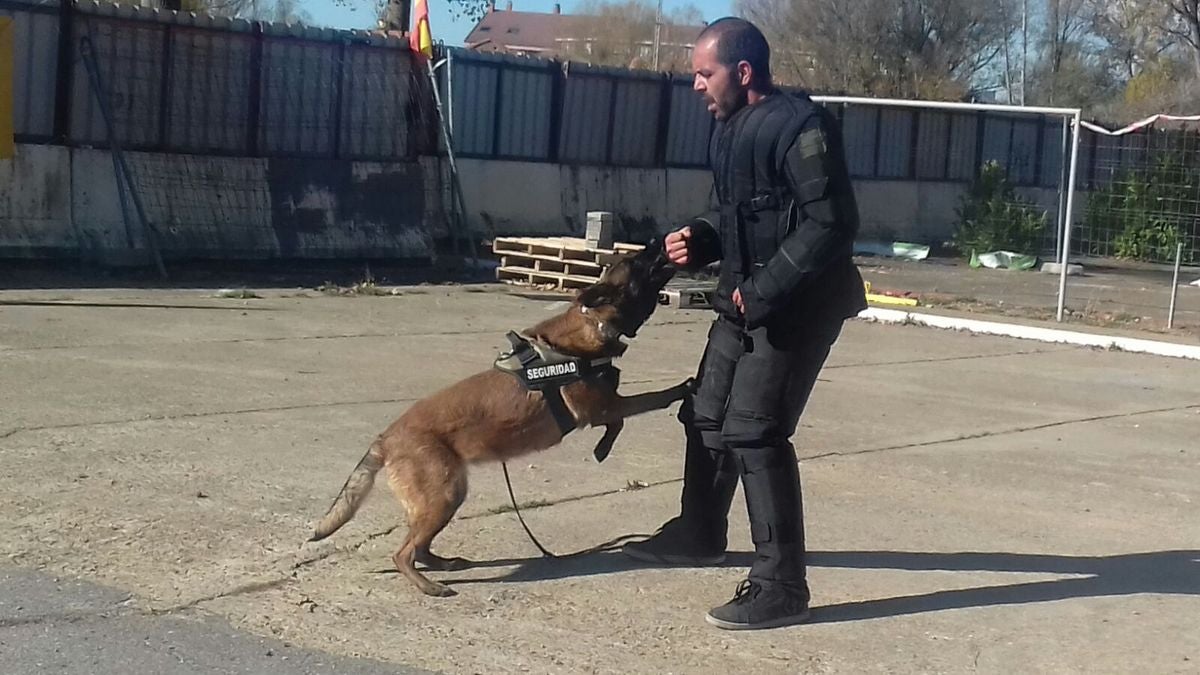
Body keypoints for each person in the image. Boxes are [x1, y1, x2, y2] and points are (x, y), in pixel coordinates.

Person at [621, 17, 867, 630]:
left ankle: (780, 585)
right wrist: (700, 240)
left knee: (754, 431)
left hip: (799, 306)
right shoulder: (732, 130)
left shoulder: (802, 127)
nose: (697, 86)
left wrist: (761, 291)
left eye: (705, 74)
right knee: (705, 412)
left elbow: (830, 223)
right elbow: (745, 215)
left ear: (744, 72)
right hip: (743, 300)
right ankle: (698, 532)